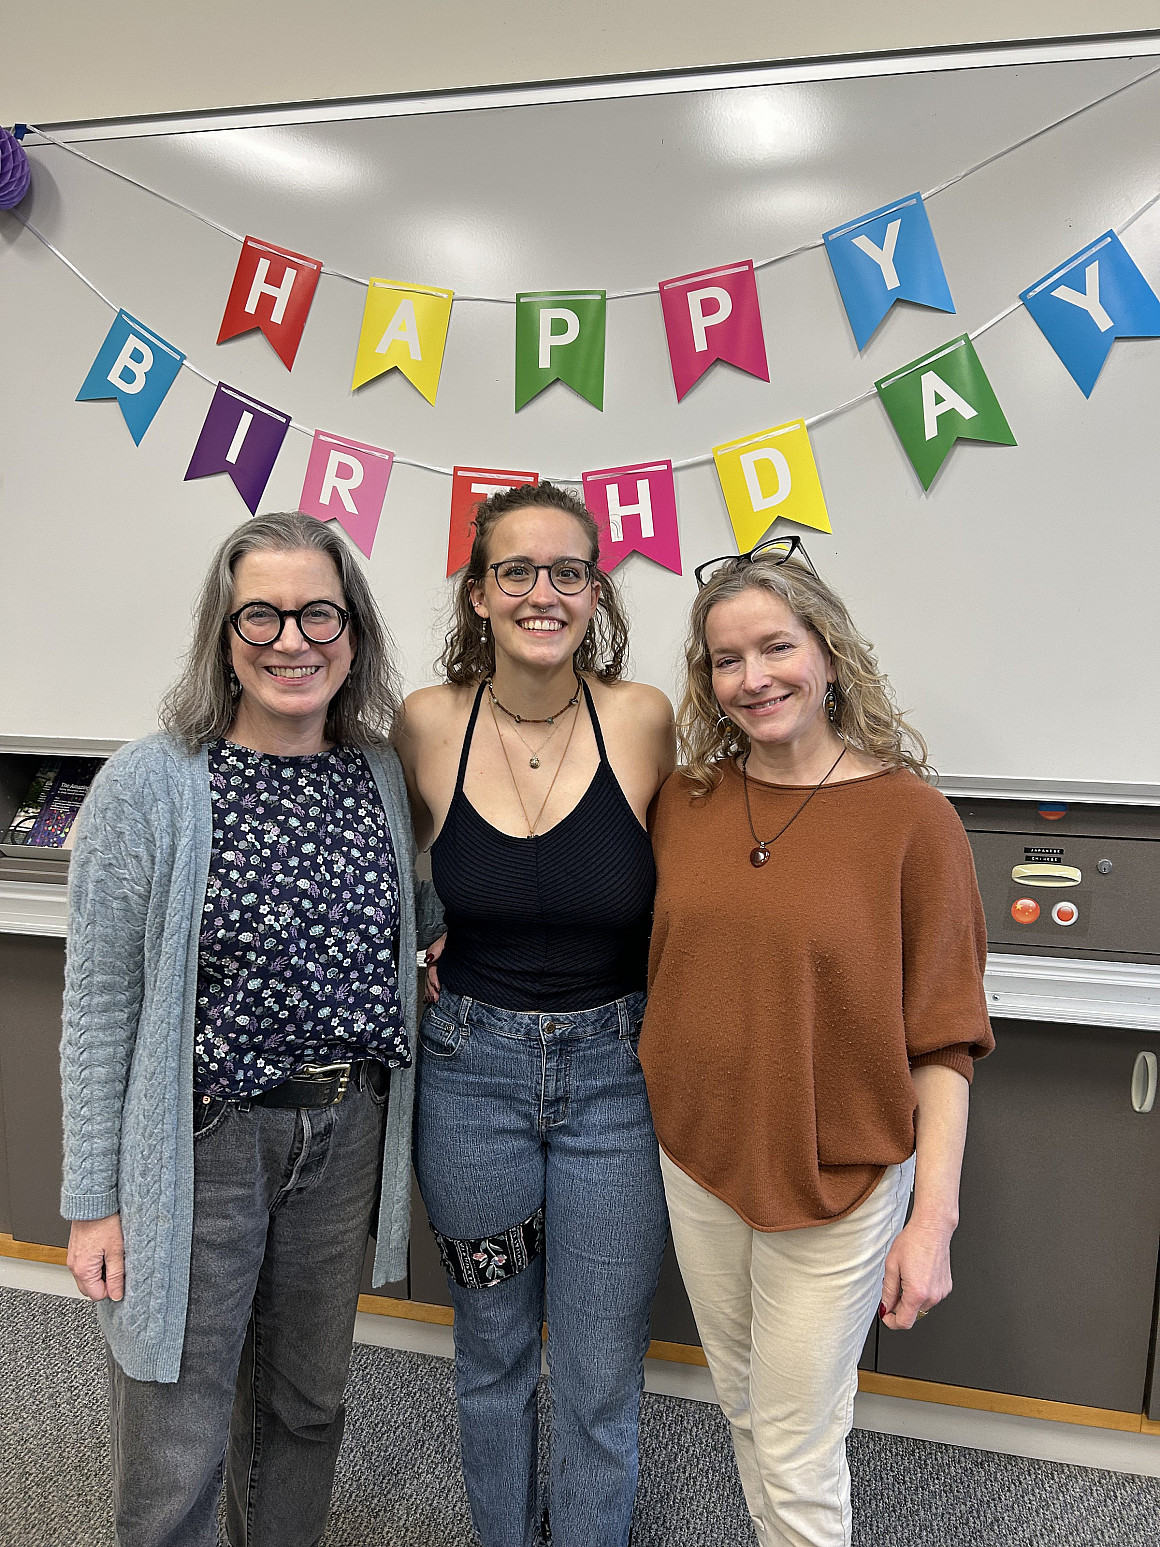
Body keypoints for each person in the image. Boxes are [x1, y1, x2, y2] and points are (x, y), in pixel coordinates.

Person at [60, 510, 443, 1547]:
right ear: (223, 638)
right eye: (260, 615)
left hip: (344, 1130)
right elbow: (98, 1004)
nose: (290, 639)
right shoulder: (152, 782)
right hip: (204, 1141)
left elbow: (411, 922)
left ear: (351, 631)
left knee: (304, 1407)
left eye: (317, 612)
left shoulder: (374, 775)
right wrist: (93, 1202)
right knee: (177, 1419)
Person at [639, 537, 994, 1547]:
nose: (752, 679)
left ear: (827, 652)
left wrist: (930, 1222)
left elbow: (944, 1040)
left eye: (774, 647)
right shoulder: (688, 800)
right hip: (699, 1160)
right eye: (724, 659)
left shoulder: (910, 820)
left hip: (836, 1178)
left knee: (796, 1445)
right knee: (747, 1408)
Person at [396, 481, 675, 1547]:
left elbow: (690, 878)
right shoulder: (428, 720)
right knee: (494, 1345)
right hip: (470, 1080)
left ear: (595, 592)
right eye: (515, 570)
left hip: (616, 1081)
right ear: (478, 593)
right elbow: (386, 864)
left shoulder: (642, 715)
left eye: (567, 571)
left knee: (603, 1366)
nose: (541, 592)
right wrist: (416, 939)